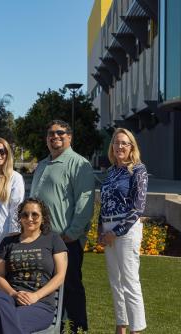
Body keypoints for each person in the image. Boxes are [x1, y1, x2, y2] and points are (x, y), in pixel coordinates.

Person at [30, 120, 95, 332]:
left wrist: (72, 233)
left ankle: (77, 328)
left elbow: (85, 201)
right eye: (51, 133)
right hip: (41, 240)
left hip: (66, 240)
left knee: (71, 287)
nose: (55, 136)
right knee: (45, 287)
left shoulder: (79, 164)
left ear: (70, 137)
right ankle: (51, 327)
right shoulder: (42, 164)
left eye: (60, 132)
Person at [0, 198, 68, 334]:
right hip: (9, 301)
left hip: (40, 304)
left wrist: (36, 296)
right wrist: (13, 294)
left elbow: (60, 275)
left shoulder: (53, 239)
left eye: (35, 214)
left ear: (43, 218)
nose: (29, 218)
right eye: (25, 214)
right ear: (20, 218)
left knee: (9, 322)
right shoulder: (9, 241)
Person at [98, 128, 148, 334]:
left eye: (124, 143)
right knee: (115, 281)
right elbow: (104, 203)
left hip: (126, 230)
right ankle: (121, 327)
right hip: (108, 228)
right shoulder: (110, 172)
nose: (120, 146)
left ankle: (136, 330)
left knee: (129, 280)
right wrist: (101, 230)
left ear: (131, 147)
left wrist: (116, 232)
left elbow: (138, 207)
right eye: (116, 143)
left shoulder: (138, 170)